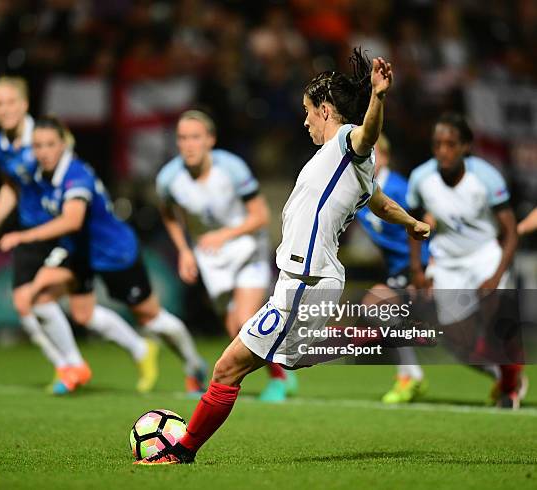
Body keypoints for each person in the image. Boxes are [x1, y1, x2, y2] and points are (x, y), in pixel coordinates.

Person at [136, 50, 430, 465]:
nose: (305, 120)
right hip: (304, 283)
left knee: (226, 369)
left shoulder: (348, 142)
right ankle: (378, 331)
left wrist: (378, 98)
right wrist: (412, 222)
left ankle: (181, 452)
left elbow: (367, 135)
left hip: (305, 285)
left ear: (325, 111)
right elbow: (379, 202)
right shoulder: (347, 166)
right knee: (267, 361)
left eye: (308, 112)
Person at [0, 116, 208, 394]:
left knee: (151, 318)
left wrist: (23, 236)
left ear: (64, 145)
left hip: (114, 252)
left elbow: (72, 220)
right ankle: (75, 366)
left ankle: (193, 365)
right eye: (37, 145)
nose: (43, 151)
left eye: (50, 144)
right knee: (42, 299)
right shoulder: (39, 172)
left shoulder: (76, 176)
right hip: (79, 252)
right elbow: (13, 184)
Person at [156, 110, 297, 402]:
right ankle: (275, 366)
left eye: (195, 137)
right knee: (234, 327)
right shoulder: (168, 179)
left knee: (247, 319)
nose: (189, 144)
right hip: (210, 255)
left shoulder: (232, 169)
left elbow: (261, 216)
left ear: (210, 140)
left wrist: (224, 235)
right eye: (182, 138)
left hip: (246, 246)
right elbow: (168, 214)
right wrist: (184, 251)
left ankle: (279, 379)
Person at [407, 112, 526, 409]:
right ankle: (506, 373)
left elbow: (510, 232)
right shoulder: (421, 178)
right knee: (457, 340)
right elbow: (413, 226)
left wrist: (497, 275)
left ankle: (509, 388)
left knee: (498, 321)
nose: (443, 151)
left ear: (466, 147)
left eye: (450, 144)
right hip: (447, 262)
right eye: (438, 145)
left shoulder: (486, 177)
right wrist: (418, 270)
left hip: (485, 255)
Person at [0, 76, 92, 394]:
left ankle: (78, 363)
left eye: (9, 102)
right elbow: (11, 185)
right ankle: (68, 367)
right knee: (23, 303)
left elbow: (72, 176)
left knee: (69, 306)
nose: (4, 110)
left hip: (60, 229)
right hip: (28, 229)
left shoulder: (45, 137)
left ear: (24, 104)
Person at [355, 133, 429, 404]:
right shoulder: (361, 190)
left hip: (421, 265)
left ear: (384, 157)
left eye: (374, 153)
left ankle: (411, 374)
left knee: (457, 337)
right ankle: (410, 375)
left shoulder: (398, 188)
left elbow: (421, 226)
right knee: (377, 307)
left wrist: (421, 269)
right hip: (400, 269)